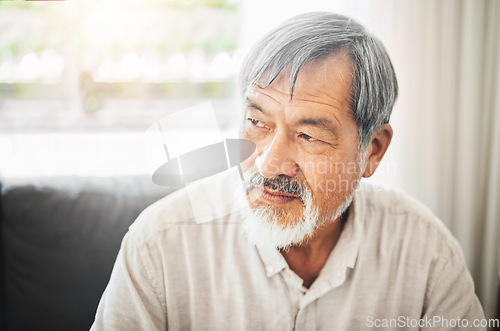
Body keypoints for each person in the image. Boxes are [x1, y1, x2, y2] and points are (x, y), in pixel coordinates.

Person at [91, 12, 485, 330]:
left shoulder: (426, 254)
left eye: (309, 135)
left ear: (373, 151)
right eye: (257, 122)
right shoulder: (159, 246)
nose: (268, 162)